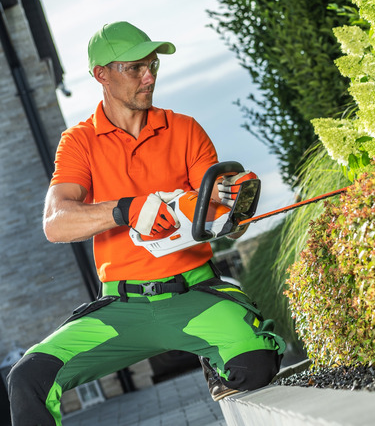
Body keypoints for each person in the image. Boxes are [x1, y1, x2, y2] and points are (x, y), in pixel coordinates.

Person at [6, 21, 284, 425]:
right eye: (135, 68)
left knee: (256, 364)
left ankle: (215, 362)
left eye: (152, 65)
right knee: (27, 379)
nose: (149, 76)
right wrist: (125, 210)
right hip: (122, 308)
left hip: (195, 292)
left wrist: (234, 205)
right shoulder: (78, 142)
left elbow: (222, 213)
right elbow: (55, 222)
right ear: (102, 74)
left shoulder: (185, 129)